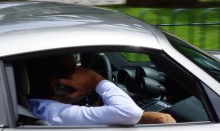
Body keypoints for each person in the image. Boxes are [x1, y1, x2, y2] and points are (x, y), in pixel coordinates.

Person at [26, 54, 175, 126]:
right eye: (75, 71)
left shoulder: (34, 105)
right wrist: (95, 80)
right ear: (59, 85)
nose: (82, 73)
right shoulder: (52, 112)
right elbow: (130, 112)